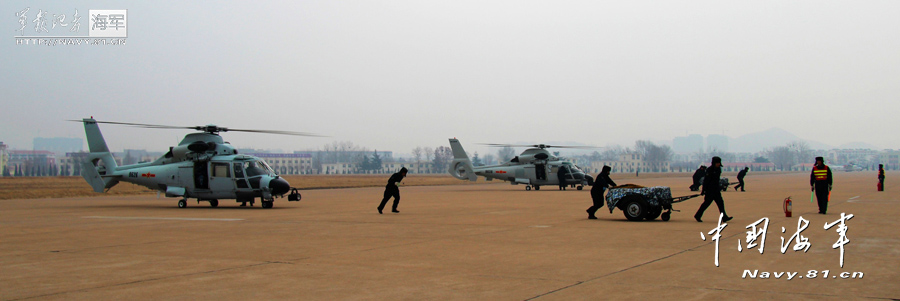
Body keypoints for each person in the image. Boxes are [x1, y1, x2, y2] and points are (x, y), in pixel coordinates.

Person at [694, 156, 733, 223]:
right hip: (709, 191)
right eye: (717, 163)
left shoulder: (718, 169)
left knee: (721, 203)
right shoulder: (709, 170)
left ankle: (724, 217)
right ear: (714, 163)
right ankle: (698, 215)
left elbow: (716, 180)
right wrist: (703, 190)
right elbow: (706, 181)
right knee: (706, 204)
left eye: (719, 163)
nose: (718, 164)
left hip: (716, 190)